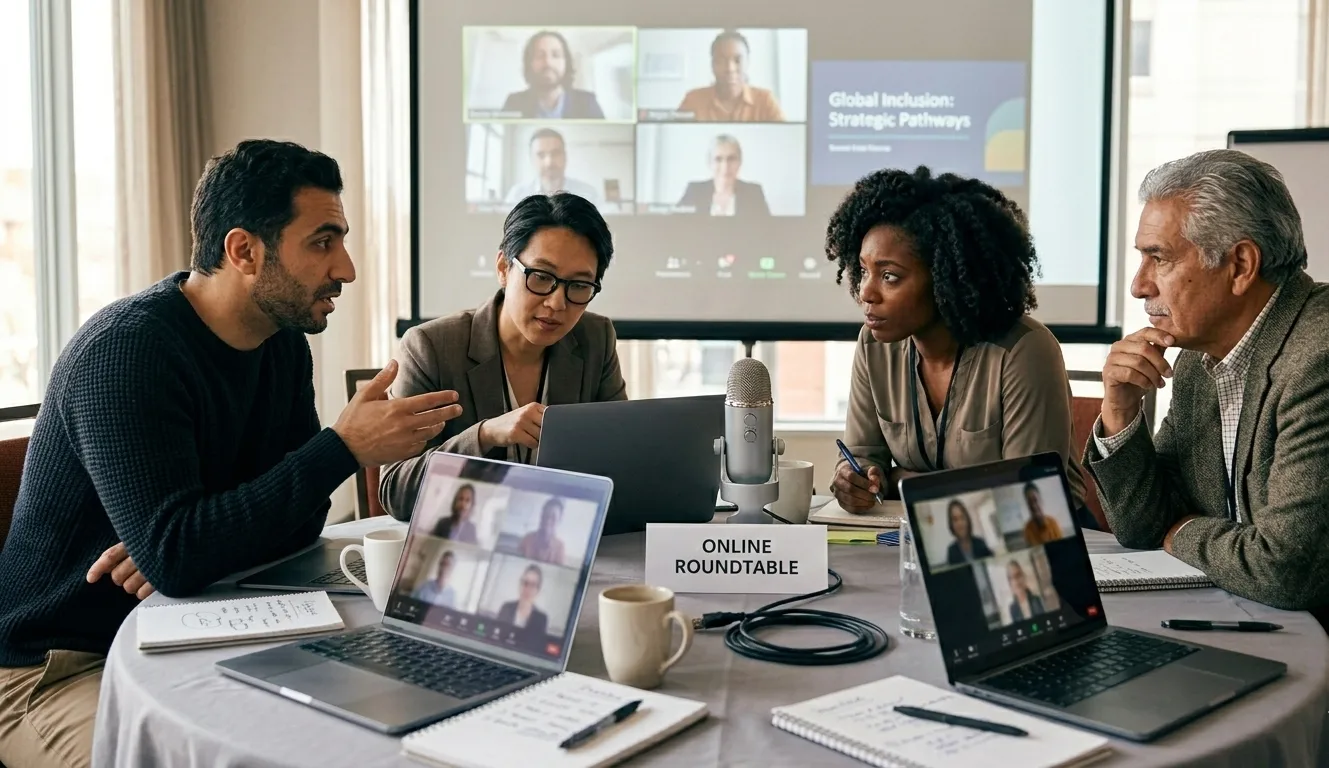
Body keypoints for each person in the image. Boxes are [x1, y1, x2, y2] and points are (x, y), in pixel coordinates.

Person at [0, 140, 462, 768]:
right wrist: (343, 447)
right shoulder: (126, 353)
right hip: (55, 663)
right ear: (244, 251)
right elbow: (182, 553)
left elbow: (294, 527)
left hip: (196, 622)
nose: (347, 269)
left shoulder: (281, 345)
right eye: (322, 242)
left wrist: (187, 542)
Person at [1086, 148, 1329, 618]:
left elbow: (1288, 570)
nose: (1139, 285)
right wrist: (1119, 411)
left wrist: (1181, 532)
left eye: (1159, 258)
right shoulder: (1199, 357)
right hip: (1245, 617)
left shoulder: (1317, 357)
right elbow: (1142, 526)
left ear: (1240, 265)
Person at [827, 167, 1093, 530]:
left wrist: (902, 480)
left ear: (945, 278)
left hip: (1043, 547)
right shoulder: (873, 345)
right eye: (863, 271)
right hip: (920, 537)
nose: (866, 292)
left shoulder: (1024, 351)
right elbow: (862, 459)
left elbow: (1027, 499)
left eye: (890, 276)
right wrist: (852, 481)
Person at [379, 193, 627, 519]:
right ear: (503, 269)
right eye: (541, 277)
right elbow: (396, 490)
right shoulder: (430, 347)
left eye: (579, 285)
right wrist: (483, 435)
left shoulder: (596, 338)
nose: (557, 303)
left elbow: (622, 457)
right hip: (465, 543)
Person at [676, 29, 785, 122]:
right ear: (712, 65)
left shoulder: (765, 101)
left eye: (737, 60)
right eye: (721, 61)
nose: (730, 69)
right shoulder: (693, 100)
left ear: (748, 63)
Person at [501, 30, 604, 119]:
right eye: (540, 56)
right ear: (529, 63)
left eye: (556, 55)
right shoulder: (513, 103)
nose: (548, 63)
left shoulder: (587, 102)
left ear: (566, 62)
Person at [503, 129, 602, 207]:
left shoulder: (588, 194)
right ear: (531, 159)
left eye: (555, 153)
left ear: (565, 156)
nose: (549, 162)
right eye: (541, 155)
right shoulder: (516, 196)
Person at [677, 135, 769, 217]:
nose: (725, 166)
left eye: (731, 159)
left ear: (740, 162)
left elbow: (766, 230)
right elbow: (675, 225)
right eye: (718, 159)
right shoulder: (694, 191)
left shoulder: (754, 193)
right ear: (710, 163)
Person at [497, 564, 550, 640]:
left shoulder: (541, 619)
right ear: (520, 585)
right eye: (525, 583)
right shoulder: (506, 608)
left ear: (538, 590)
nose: (527, 589)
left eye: (532, 585)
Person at [945, 500, 994, 565]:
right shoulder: (951, 551)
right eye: (955, 519)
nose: (960, 523)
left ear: (967, 520)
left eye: (962, 517)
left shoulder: (980, 543)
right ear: (951, 524)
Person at [518, 498, 567, 564]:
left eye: (553, 517)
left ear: (559, 520)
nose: (548, 520)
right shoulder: (527, 539)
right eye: (546, 515)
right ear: (541, 516)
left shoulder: (560, 547)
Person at [1021, 482, 1064, 546]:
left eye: (1035, 500)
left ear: (1041, 501)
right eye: (1029, 502)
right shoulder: (1027, 530)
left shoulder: (1053, 524)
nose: (1033, 506)